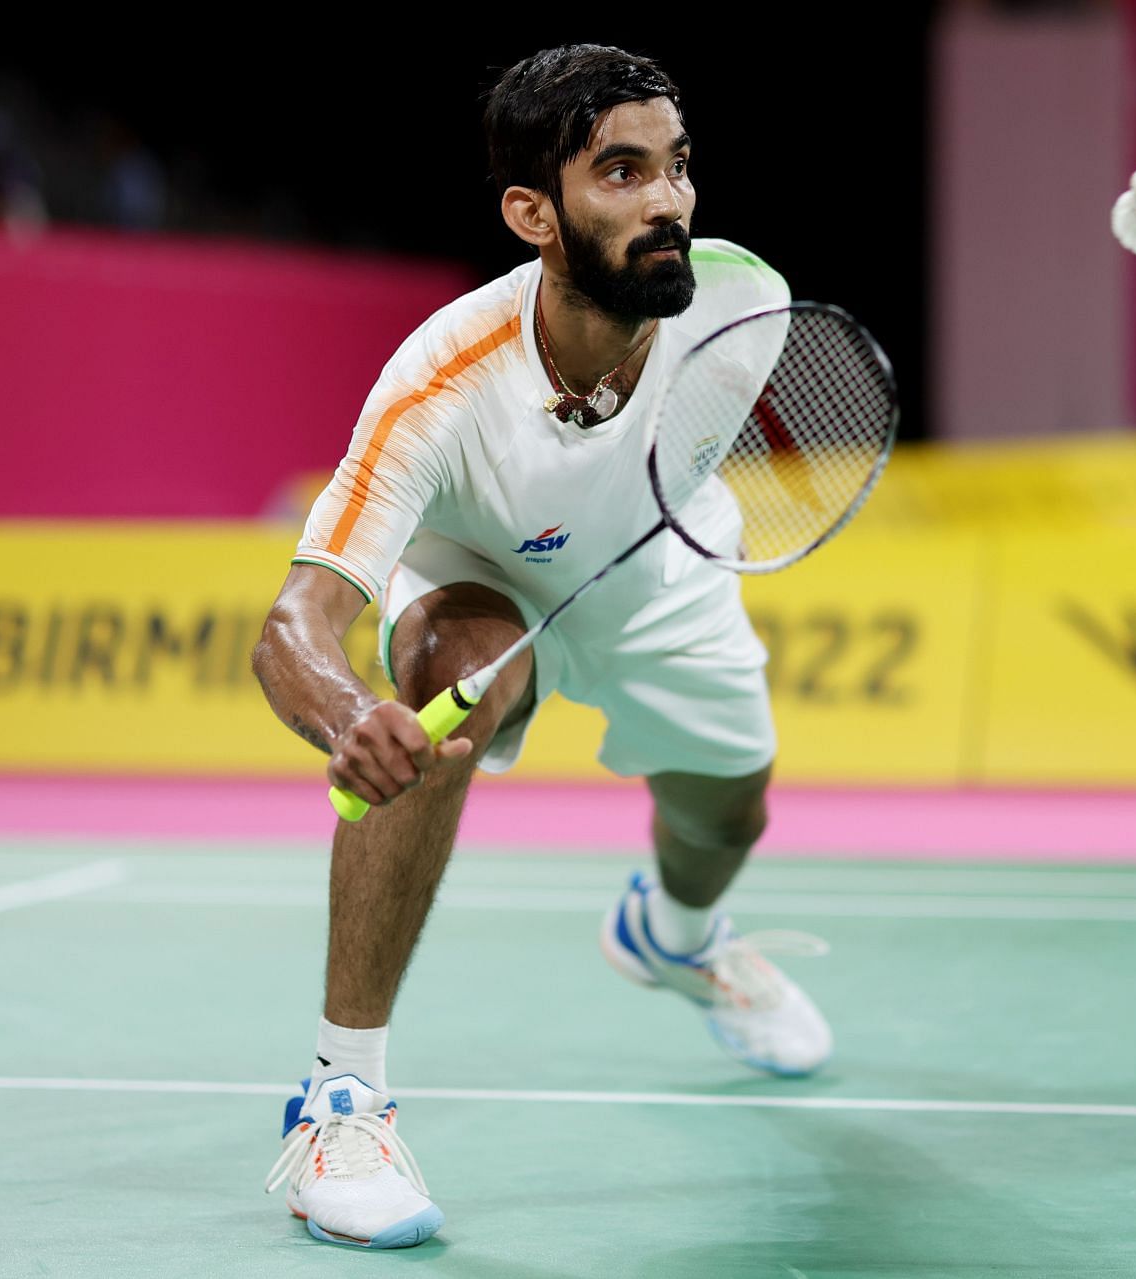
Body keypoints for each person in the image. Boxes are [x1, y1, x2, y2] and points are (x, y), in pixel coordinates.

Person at [251, 43, 831, 1252]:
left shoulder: (745, 306)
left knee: (731, 816)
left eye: (676, 166)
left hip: (665, 574)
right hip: (489, 586)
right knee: (435, 700)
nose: (667, 200)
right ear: (534, 213)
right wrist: (347, 715)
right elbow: (294, 626)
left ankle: (672, 939)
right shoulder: (440, 384)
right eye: (621, 172)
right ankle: (338, 1103)